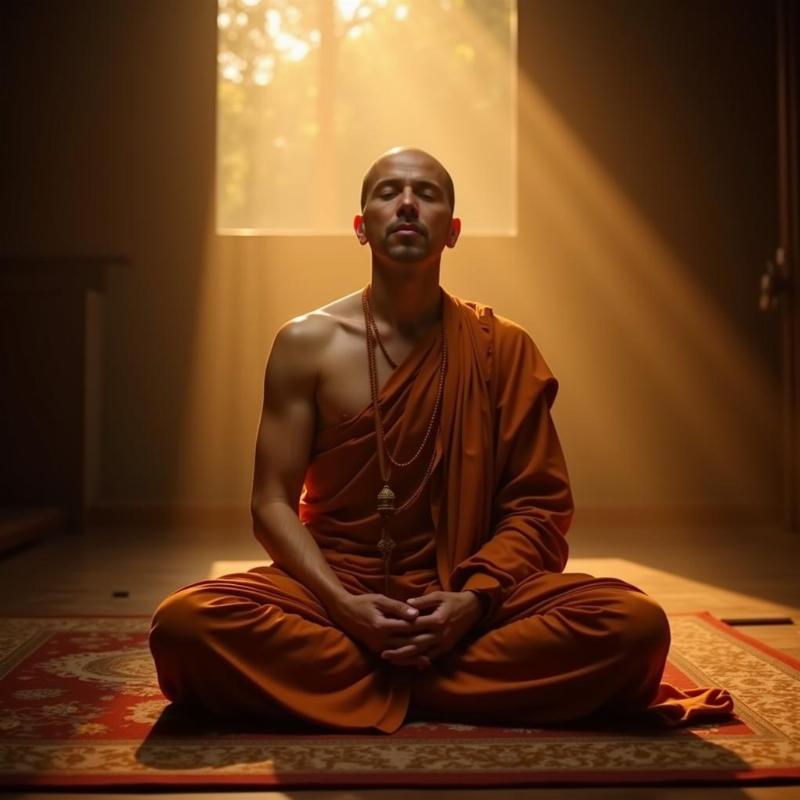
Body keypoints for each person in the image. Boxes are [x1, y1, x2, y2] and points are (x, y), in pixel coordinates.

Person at [149, 147, 732, 733]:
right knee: (185, 627)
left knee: (633, 627)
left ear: (451, 231)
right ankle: (445, 685)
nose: (406, 204)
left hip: (467, 595)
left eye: (426, 194)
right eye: (388, 192)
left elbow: (537, 507)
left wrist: (472, 603)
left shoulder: (500, 347)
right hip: (338, 585)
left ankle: (371, 682)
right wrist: (344, 608)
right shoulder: (306, 343)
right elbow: (271, 502)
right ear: (361, 227)